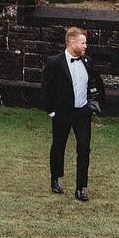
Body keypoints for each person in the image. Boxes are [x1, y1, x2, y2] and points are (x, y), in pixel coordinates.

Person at [42, 26, 103, 201]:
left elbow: (94, 83)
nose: (86, 46)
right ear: (71, 42)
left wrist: (93, 104)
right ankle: (55, 177)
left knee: (84, 148)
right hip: (62, 112)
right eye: (83, 43)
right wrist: (51, 111)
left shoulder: (87, 62)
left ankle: (81, 187)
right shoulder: (54, 62)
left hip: (83, 113)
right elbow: (47, 88)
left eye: (86, 43)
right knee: (58, 146)